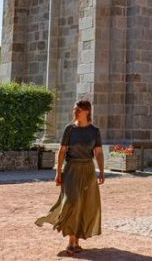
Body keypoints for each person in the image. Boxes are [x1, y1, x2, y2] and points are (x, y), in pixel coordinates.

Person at [35, 100, 105, 256]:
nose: (74, 111)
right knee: (72, 202)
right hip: (71, 169)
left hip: (88, 170)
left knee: (85, 205)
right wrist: (58, 172)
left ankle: (76, 241)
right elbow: (62, 151)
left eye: (77, 109)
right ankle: (71, 240)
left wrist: (101, 171)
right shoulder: (69, 129)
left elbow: (98, 152)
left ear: (86, 111)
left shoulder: (94, 131)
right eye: (74, 108)